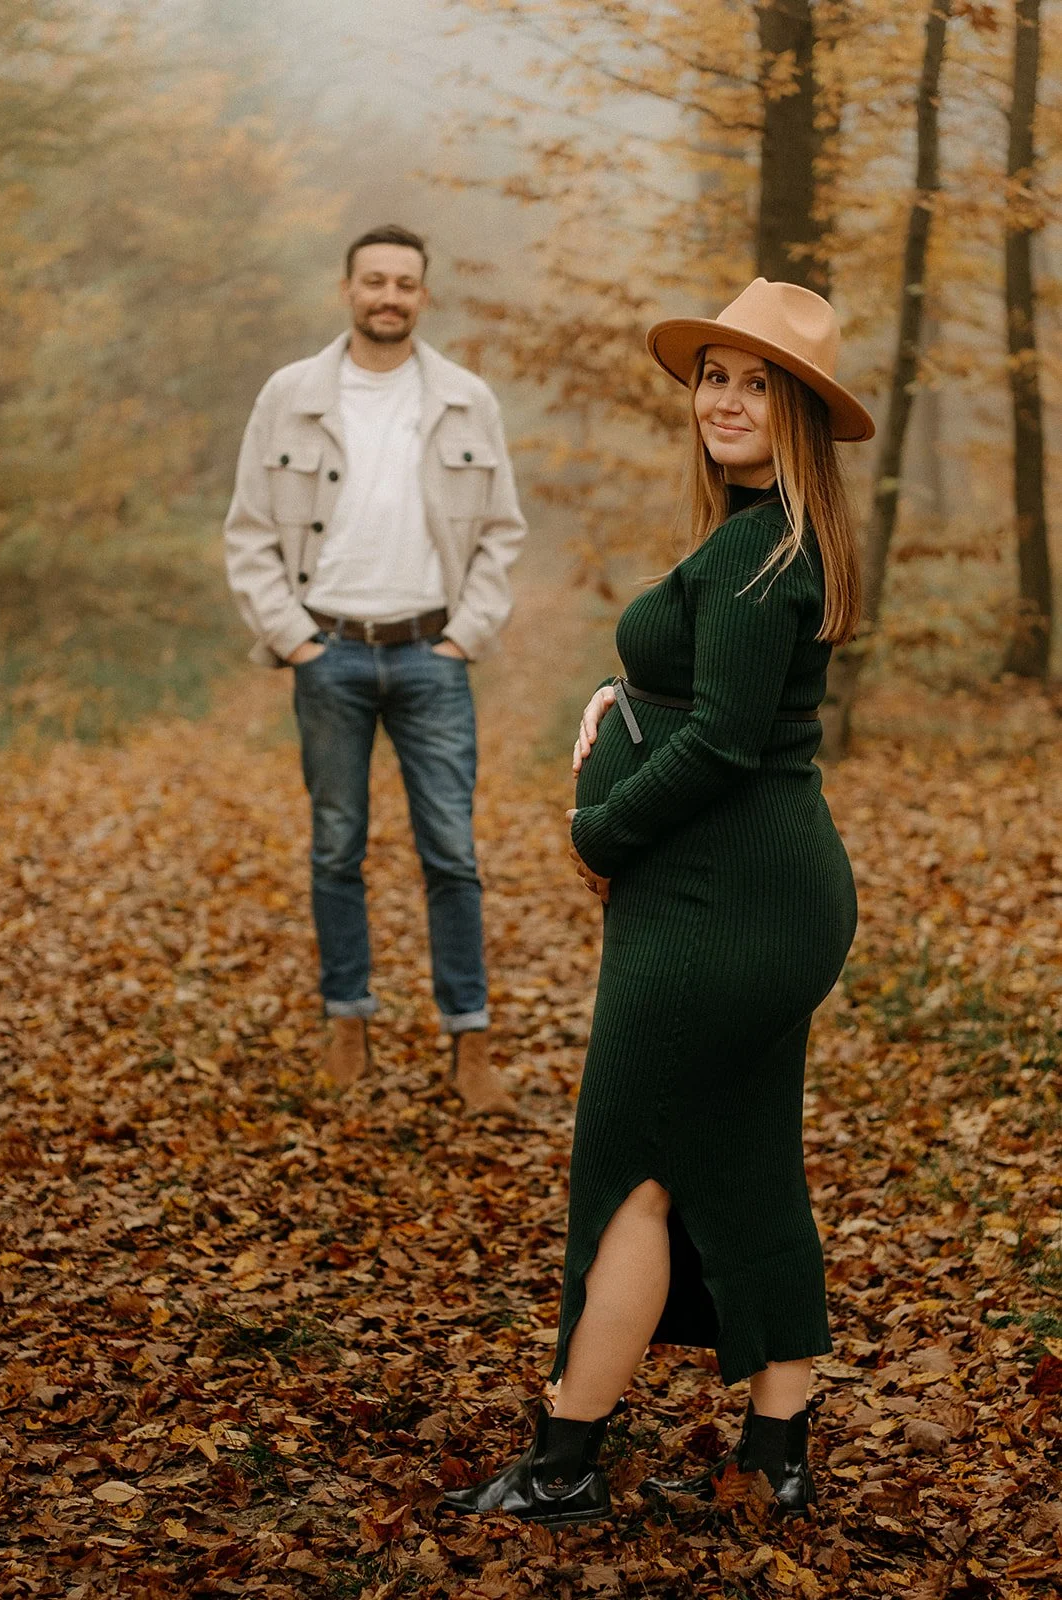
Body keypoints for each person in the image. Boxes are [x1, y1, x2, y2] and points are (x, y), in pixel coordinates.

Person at [441, 278, 875, 1525]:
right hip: (755, 899)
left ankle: (564, 1461)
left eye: (757, 384)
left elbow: (728, 741)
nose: (724, 401)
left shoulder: (756, 553)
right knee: (744, 1161)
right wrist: (618, 700)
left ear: (799, 412)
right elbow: (712, 698)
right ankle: (775, 1452)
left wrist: (600, 829)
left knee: (630, 1166)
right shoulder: (769, 537)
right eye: (714, 377)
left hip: (716, 908)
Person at [224, 224, 526, 1114]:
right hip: (329, 652)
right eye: (374, 280)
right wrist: (294, 641)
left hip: (433, 654)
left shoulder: (466, 399)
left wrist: (466, 636)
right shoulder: (290, 395)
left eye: (405, 283)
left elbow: (501, 531)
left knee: (453, 854)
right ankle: (347, 1024)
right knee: (335, 849)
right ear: (347, 288)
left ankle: (470, 1044)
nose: (389, 296)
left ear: (423, 296)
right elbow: (249, 530)